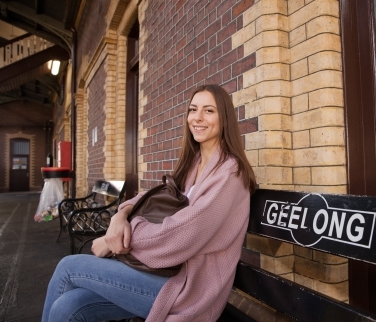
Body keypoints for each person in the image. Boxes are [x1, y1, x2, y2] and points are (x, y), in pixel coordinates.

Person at [42, 84, 257, 322]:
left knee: (68, 267)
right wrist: (120, 214)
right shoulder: (194, 163)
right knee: (68, 306)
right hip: (164, 271)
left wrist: (113, 241)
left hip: (188, 287)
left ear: (224, 118)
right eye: (193, 109)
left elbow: (183, 234)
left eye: (209, 111)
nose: (197, 117)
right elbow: (151, 195)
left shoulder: (229, 172)